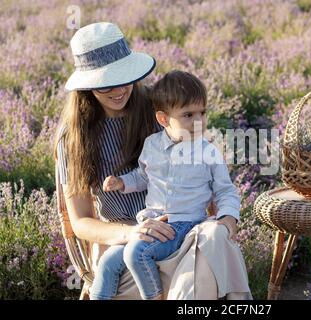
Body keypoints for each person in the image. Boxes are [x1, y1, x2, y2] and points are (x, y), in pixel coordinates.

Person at [54, 22, 252, 299]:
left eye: (124, 77)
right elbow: (81, 222)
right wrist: (132, 232)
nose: (119, 90)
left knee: (215, 240)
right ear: (87, 86)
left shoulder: (158, 110)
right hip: (125, 246)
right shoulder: (73, 136)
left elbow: (204, 174)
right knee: (198, 275)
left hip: (181, 231)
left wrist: (223, 215)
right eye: (105, 83)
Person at [90, 71, 241, 300]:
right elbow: (143, 176)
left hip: (184, 225)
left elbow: (225, 190)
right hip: (151, 222)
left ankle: (155, 297)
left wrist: (228, 217)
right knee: (108, 262)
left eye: (202, 113)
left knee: (136, 253)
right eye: (188, 115)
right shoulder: (152, 145)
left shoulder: (208, 152)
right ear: (163, 119)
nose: (198, 121)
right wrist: (122, 183)